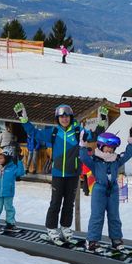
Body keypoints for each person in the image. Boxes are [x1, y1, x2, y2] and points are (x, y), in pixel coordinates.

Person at [20, 103, 85, 244]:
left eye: (66, 116)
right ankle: (51, 229)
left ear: (71, 117)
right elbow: (34, 133)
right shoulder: (54, 133)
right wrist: (25, 121)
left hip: (73, 174)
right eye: (61, 116)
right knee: (55, 203)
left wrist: (102, 122)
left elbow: (94, 136)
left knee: (69, 203)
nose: (64, 119)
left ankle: (65, 228)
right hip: (57, 174)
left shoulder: (79, 131)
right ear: (57, 119)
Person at [79, 128, 132, 253]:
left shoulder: (116, 160)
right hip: (99, 189)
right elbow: (83, 157)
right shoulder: (95, 160)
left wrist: (131, 141)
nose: (110, 150)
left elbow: (127, 155)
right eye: (107, 147)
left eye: (112, 148)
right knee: (97, 215)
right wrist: (83, 144)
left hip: (113, 189)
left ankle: (116, 240)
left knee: (114, 215)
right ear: (101, 146)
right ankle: (92, 241)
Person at [0, 148, 25, 233]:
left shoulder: (13, 168)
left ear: (7, 159)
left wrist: (19, 161)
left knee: (9, 208)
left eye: (1, 158)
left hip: (8, 193)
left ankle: (10, 223)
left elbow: (21, 173)